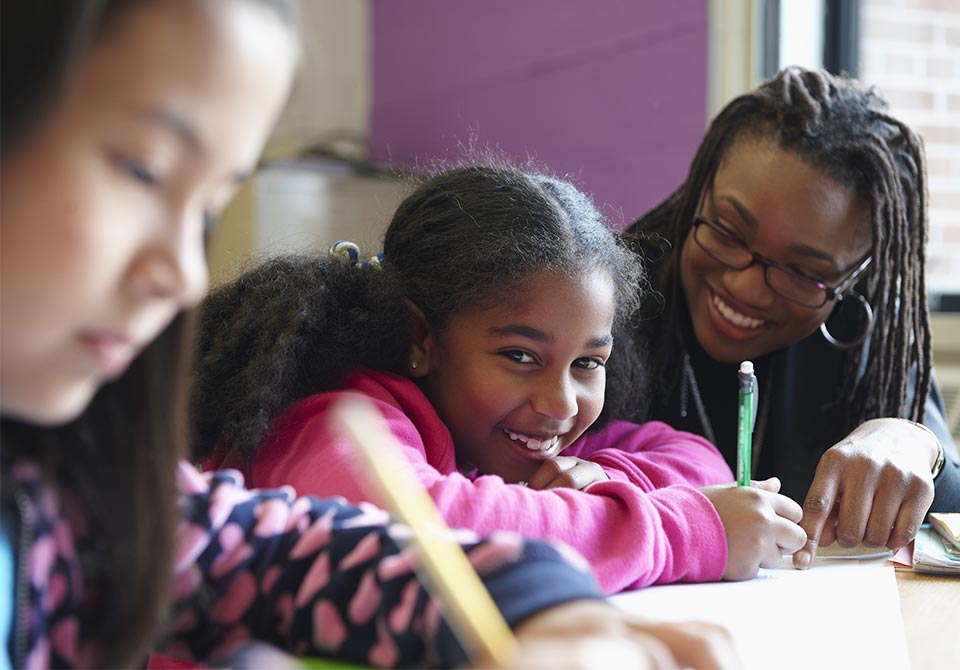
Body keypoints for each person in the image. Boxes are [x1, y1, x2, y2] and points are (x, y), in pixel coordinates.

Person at [0, 2, 741, 669]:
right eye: (142, 169)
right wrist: (679, 529)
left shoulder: (66, 501)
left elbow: (258, 553)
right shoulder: (338, 418)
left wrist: (541, 600)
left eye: (207, 214)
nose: (183, 275)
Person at [193, 164, 807, 596]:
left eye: (588, 362)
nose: (560, 402)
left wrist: (601, 480)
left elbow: (697, 460)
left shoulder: (515, 432)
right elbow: (422, 533)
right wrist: (686, 532)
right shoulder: (333, 415)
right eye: (519, 355)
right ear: (421, 339)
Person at [622, 66, 960, 570]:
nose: (744, 286)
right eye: (730, 232)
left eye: (804, 272)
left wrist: (912, 439)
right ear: (699, 190)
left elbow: (947, 507)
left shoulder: (861, 333)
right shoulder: (610, 302)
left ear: (856, 275)